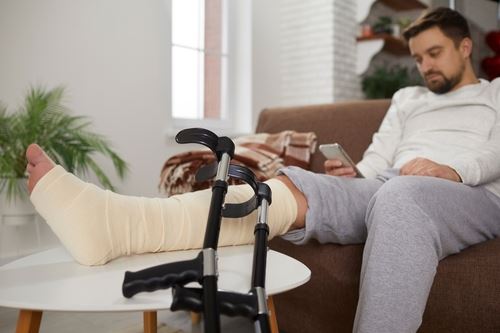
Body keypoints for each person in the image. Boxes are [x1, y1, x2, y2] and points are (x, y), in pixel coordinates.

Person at [26, 7, 500, 333]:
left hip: (470, 194)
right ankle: (113, 224)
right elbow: (379, 160)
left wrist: (452, 169)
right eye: (417, 57)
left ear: (463, 47)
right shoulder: (407, 99)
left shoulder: (494, 94)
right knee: (279, 190)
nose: (424, 66)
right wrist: (353, 172)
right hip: (390, 183)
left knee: (400, 196)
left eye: (433, 53)